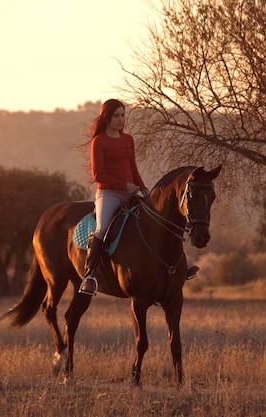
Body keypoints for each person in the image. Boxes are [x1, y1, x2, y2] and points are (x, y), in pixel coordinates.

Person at [79, 99, 199, 296]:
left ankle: (179, 268)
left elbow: (133, 168)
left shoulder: (128, 140)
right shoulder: (99, 141)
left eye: (122, 115)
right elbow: (98, 175)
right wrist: (125, 185)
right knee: (101, 230)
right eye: (116, 116)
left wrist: (143, 189)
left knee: (160, 221)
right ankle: (89, 276)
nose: (120, 119)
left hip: (133, 191)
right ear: (107, 117)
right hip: (108, 194)